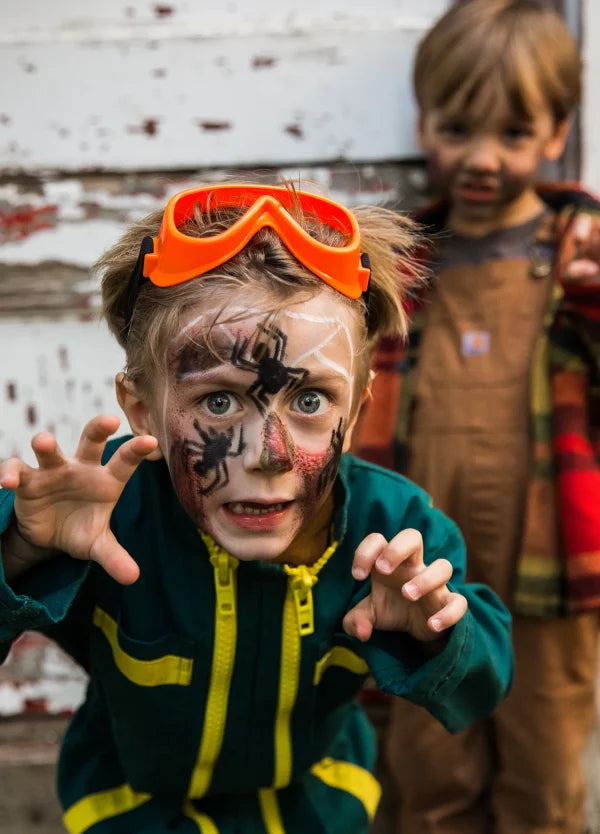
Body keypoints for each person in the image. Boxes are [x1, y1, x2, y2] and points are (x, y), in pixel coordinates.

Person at [0, 183, 512, 833]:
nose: (268, 453)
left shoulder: (396, 534)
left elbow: (484, 683)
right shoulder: (103, 521)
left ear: (355, 413)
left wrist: (436, 632)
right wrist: (19, 549)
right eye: (218, 402)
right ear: (141, 409)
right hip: (135, 813)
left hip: (316, 812)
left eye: (309, 403)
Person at [354, 2, 600, 833]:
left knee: (543, 769)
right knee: (426, 770)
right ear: (424, 119)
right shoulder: (398, 261)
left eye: (514, 134)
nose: (483, 159)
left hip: (549, 566)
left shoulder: (585, 250)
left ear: (559, 129)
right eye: (458, 130)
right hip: (425, 565)